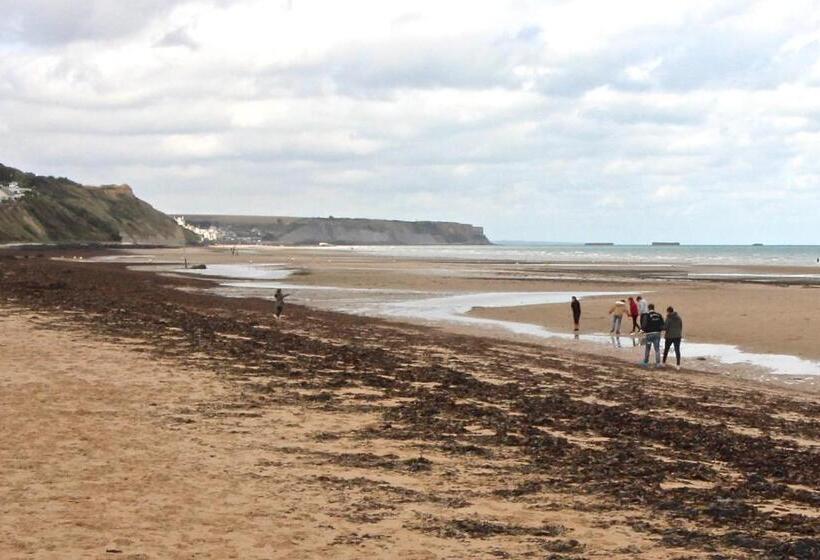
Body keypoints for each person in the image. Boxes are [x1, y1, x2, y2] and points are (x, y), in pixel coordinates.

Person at [641, 303, 665, 368]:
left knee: (647, 348)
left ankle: (645, 362)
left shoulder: (647, 315)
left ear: (648, 308)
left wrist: (643, 330)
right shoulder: (659, 315)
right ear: (653, 308)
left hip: (649, 334)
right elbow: (663, 324)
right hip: (657, 334)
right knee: (657, 349)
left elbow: (644, 325)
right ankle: (658, 363)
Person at [662, 306, 683, 370]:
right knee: (677, 350)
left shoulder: (668, 318)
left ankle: (663, 362)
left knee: (666, 349)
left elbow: (665, 327)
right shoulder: (679, 317)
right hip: (678, 336)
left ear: (668, 311)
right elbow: (680, 326)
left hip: (669, 336)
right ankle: (678, 365)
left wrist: (661, 327)